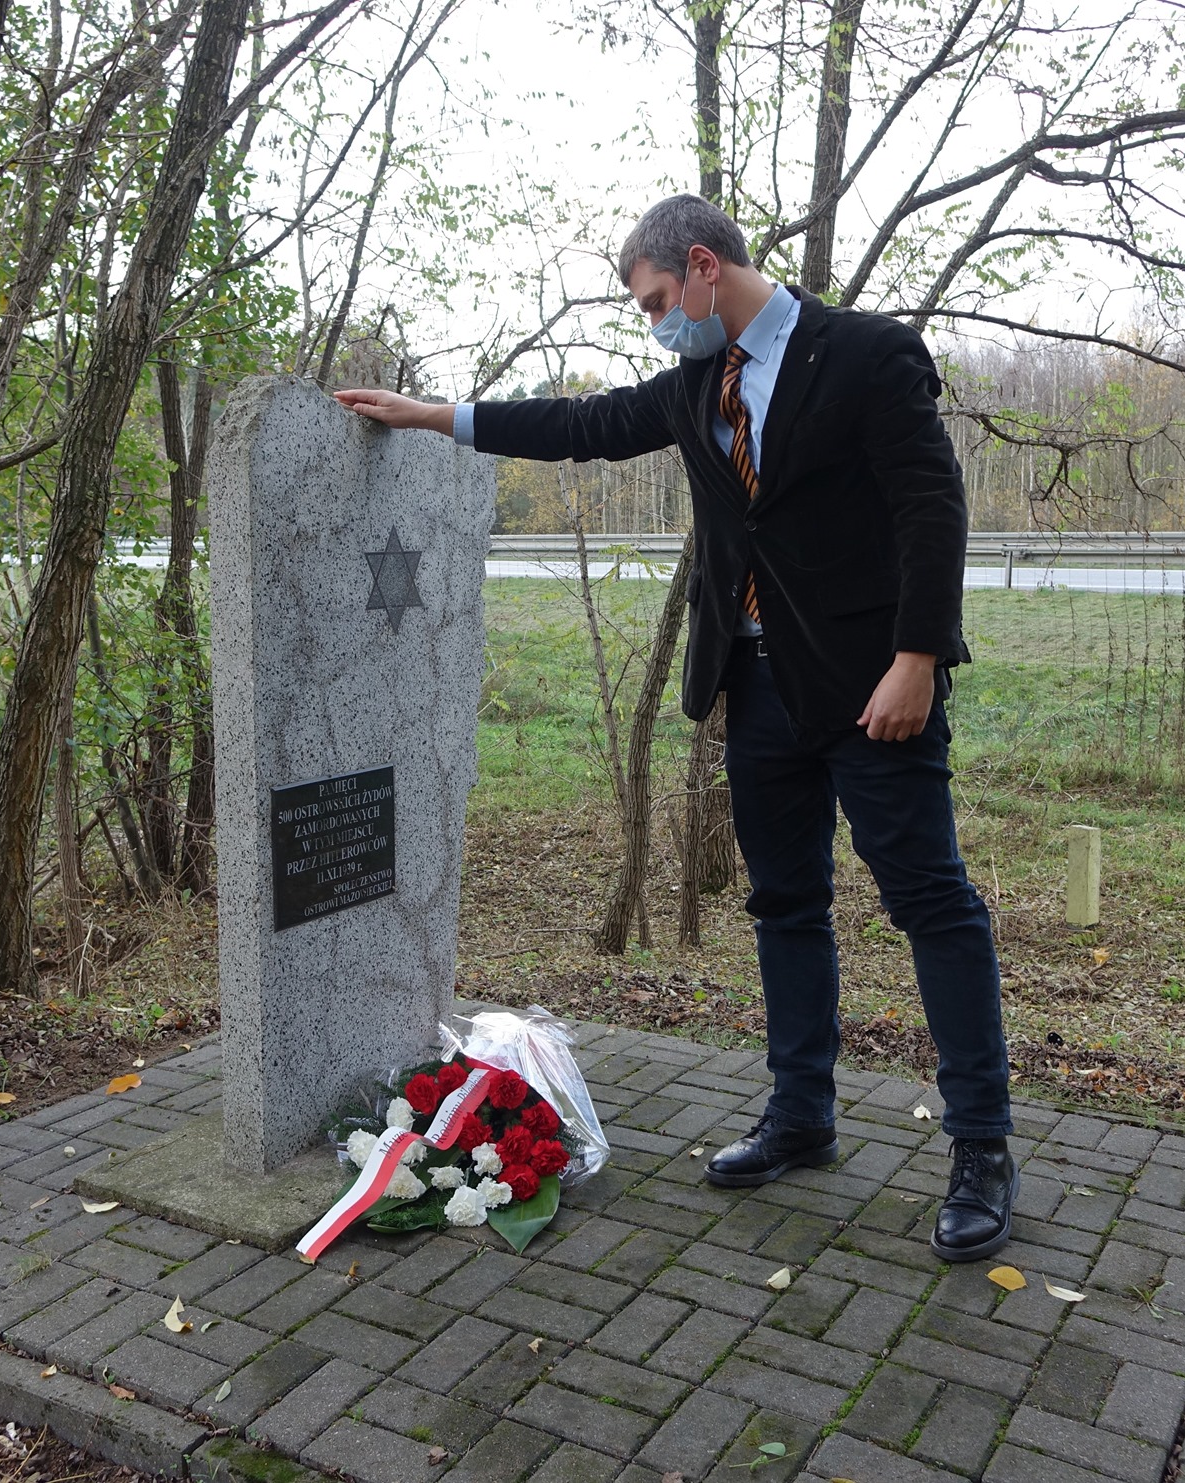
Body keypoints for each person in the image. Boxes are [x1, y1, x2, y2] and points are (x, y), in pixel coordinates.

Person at [335, 194, 1017, 1262]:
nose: (655, 324)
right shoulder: (699, 383)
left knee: (929, 902)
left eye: (657, 301)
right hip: (756, 688)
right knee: (784, 903)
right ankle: (801, 1113)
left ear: (703, 266)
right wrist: (433, 417)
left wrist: (918, 658)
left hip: (871, 688)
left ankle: (981, 1145)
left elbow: (933, 507)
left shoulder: (864, 354)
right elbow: (580, 427)